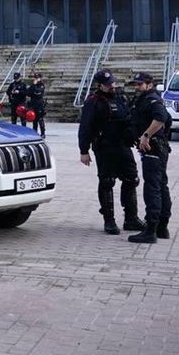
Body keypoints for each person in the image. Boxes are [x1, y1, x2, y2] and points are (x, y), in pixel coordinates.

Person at [77, 70, 145, 236]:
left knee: (131, 179)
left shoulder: (121, 98)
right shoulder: (93, 102)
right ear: (100, 85)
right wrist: (84, 151)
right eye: (108, 84)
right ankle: (109, 220)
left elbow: (131, 119)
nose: (112, 86)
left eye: (113, 83)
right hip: (104, 147)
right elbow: (85, 127)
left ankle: (131, 218)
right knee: (107, 182)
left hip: (123, 146)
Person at [128, 72, 172, 244]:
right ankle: (162, 227)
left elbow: (161, 118)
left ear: (150, 84)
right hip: (157, 146)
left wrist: (146, 135)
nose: (137, 87)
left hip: (153, 146)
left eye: (140, 84)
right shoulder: (145, 99)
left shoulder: (152, 99)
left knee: (153, 187)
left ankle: (151, 228)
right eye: (136, 84)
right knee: (161, 185)